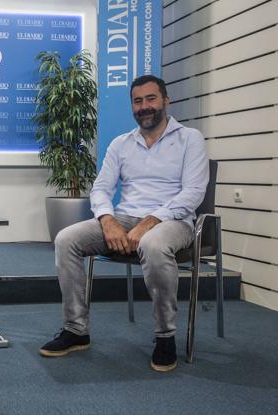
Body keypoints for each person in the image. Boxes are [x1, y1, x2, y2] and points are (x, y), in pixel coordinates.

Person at [38, 75, 209, 372]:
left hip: (174, 220)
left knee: (153, 243)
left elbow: (193, 193)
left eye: (151, 99)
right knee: (66, 239)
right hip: (125, 218)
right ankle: (76, 330)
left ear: (166, 101)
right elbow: (101, 188)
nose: (144, 106)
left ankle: (165, 336)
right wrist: (107, 219)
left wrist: (150, 222)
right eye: (138, 101)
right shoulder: (121, 144)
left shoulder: (190, 139)